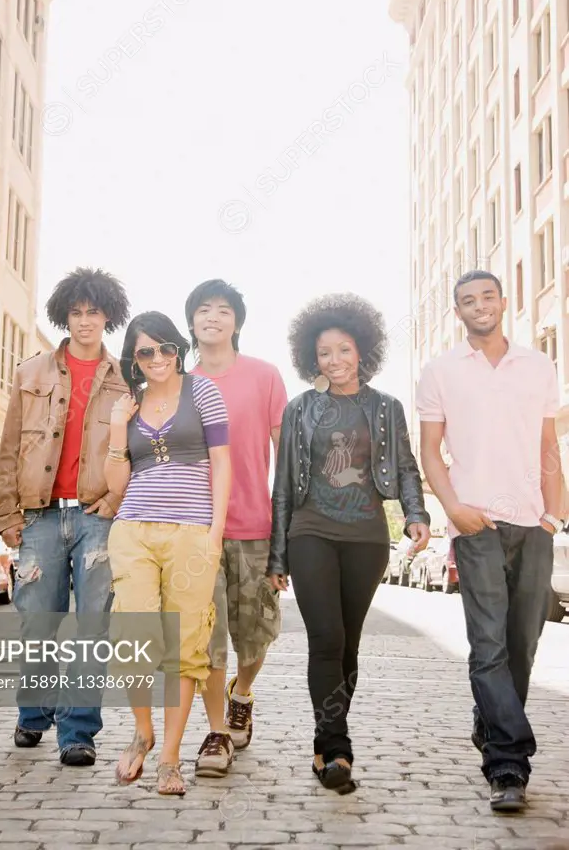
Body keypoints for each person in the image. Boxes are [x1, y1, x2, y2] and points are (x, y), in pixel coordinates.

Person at [268, 294, 430, 792]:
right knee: (328, 639)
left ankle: (324, 744)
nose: (334, 361)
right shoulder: (300, 410)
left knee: (350, 644)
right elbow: (283, 485)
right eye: (324, 353)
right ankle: (337, 747)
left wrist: (416, 514)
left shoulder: (385, 407)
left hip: (366, 537)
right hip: (311, 532)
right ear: (310, 358)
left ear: (362, 351)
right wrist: (278, 553)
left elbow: (404, 466)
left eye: (344, 350)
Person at [417, 270, 565, 814]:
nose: (477, 306)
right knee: (489, 647)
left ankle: (490, 724)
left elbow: (548, 442)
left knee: (522, 644)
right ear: (457, 312)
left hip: (534, 525)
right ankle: (508, 763)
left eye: (486, 297)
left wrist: (554, 516)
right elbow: (431, 449)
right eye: (466, 301)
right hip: (476, 525)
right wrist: (454, 508)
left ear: (503, 302)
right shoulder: (440, 371)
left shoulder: (538, 366)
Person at [0, 267, 130, 766]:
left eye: (94, 311)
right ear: (64, 315)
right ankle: (34, 714)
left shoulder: (124, 381)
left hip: (97, 518)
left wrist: (116, 503)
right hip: (40, 517)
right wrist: (5, 512)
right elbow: (8, 447)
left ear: (108, 315)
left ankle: (78, 732)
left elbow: (138, 452)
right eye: (76, 311)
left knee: (92, 628)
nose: (85, 320)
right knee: (37, 624)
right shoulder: (31, 373)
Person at [105, 311, 231, 796]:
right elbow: (116, 485)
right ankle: (142, 730)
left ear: (177, 349)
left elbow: (221, 463)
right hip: (133, 529)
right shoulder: (130, 403)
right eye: (145, 352)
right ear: (134, 360)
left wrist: (214, 532)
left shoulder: (203, 393)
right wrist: (119, 428)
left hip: (191, 532)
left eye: (165, 349)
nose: (157, 359)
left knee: (186, 646)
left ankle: (170, 757)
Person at [184, 279, 287, 777]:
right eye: (204, 310)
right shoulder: (178, 383)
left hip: (254, 526)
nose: (213, 317)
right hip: (197, 529)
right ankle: (216, 733)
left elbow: (286, 457)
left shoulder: (264, 376)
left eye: (223, 310)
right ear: (191, 323)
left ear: (237, 322)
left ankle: (241, 693)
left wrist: (286, 531)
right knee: (206, 637)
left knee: (256, 633)